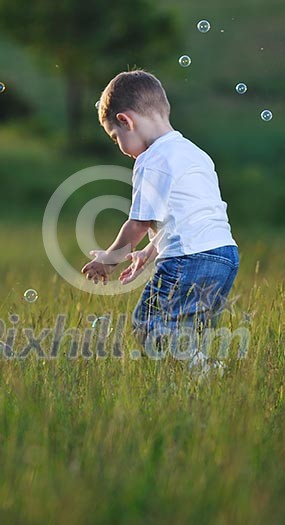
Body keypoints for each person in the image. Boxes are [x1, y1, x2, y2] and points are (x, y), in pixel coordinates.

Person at [81, 69, 239, 360]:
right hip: (224, 257)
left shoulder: (151, 160)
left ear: (125, 120)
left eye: (116, 138)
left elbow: (139, 223)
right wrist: (150, 252)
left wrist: (110, 259)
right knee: (189, 330)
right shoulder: (195, 152)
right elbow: (185, 218)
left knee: (149, 325)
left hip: (188, 260)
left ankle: (198, 373)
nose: (122, 149)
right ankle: (201, 377)